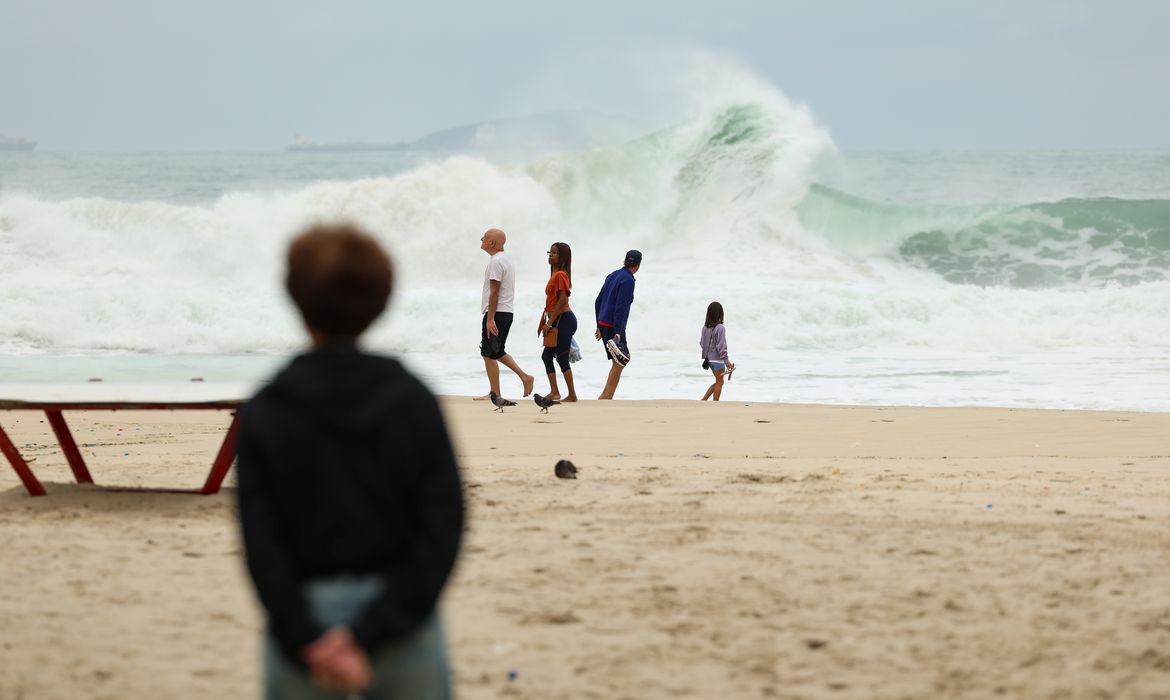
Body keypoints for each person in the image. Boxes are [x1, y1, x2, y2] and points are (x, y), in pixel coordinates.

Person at [236, 223, 464, 699]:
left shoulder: (270, 406)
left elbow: (261, 537)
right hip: (402, 612)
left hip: (303, 614)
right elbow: (443, 523)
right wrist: (373, 632)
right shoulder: (411, 399)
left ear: (295, 298)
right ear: (381, 300)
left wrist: (304, 636)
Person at [478, 228, 535, 400]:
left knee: (488, 353)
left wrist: (490, 319)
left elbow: (494, 292)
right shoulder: (505, 260)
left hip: (497, 312)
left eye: (485, 237)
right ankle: (521, 379)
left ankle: (496, 392)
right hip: (505, 312)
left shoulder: (496, 262)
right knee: (494, 351)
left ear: (492, 243)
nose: (482, 238)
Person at [593, 249, 641, 400]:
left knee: (618, 361)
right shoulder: (628, 281)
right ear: (638, 264)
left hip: (604, 322)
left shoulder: (613, 275)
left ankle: (605, 395)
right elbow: (621, 308)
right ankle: (606, 397)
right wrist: (619, 332)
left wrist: (598, 325)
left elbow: (598, 301)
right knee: (620, 361)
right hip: (613, 326)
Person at [537, 241, 578, 401]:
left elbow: (562, 301)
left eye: (554, 253)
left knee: (561, 356)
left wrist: (549, 323)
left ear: (562, 257)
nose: (550, 255)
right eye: (550, 252)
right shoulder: (555, 274)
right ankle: (555, 391)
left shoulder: (560, 275)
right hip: (557, 319)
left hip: (563, 319)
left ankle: (572, 394)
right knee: (547, 356)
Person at [700, 301, 736, 401]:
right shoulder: (720, 328)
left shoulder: (705, 328)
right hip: (718, 360)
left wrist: (707, 355)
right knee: (720, 382)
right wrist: (727, 361)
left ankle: (704, 399)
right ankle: (715, 403)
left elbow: (702, 343)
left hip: (709, 360)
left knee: (718, 381)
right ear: (720, 313)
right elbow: (721, 346)